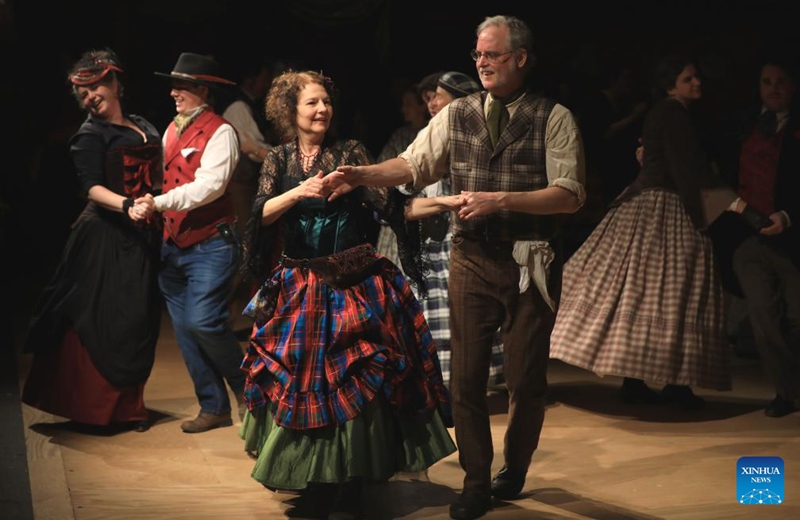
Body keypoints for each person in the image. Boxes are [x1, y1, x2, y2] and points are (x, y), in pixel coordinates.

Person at [324, 16, 586, 520]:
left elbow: (570, 196)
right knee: (462, 380)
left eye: (493, 55)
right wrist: (362, 175)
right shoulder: (458, 114)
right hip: (471, 258)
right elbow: (413, 164)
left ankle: (516, 466)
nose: (483, 63)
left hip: (529, 261)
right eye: (478, 55)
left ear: (521, 58)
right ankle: (476, 480)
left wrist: (499, 199)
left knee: (525, 381)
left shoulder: (553, 117)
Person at [237, 70, 456, 520]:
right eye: (311, 104)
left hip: (352, 283)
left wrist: (444, 204)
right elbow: (259, 216)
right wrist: (301, 190)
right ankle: (313, 478)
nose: (322, 111)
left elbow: (390, 205)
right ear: (290, 111)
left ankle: (352, 476)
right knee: (303, 383)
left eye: (326, 103)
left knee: (355, 377)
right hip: (300, 285)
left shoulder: (349, 152)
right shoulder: (279, 159)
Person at [549, 55, 768, 413]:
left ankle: (645, 381)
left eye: (697, 77)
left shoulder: (669, 114)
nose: (697, 83)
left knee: (649, 292)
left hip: (650, 203)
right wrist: (746, 211)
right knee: (672, 289)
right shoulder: (672, 114)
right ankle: (671, 383)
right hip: (662, 206)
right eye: (688, 78)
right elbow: (692, 170)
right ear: (670, 85)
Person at [21, 48, 162, 433]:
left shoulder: (141, 124)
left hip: (141, 233)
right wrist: (129, 204)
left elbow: (156, 176)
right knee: (103, 318)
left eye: (96, 86)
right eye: (82, 94)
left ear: (116, 83)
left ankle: (130, 408)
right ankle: (96, 408)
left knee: (136, 318)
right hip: (104, 235)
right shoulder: (89, 134)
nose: (90, 96)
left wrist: (155, 200)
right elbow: (91, 188)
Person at [136, 52, 247, 434]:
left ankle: (246, 386)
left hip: (212, 243)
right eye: (173, 85)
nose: (173, 92)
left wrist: (160, 202)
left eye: (181, 85)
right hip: (173, 245)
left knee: (204, 321)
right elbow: (163, 178)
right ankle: (213, 406)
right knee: (185, 330)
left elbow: (209, 187)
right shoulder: (171, 129)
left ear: (202, 89)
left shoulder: (222, 132)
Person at [391, 70, 505, 389]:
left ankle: (471, 386)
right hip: (435, 250)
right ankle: (442, 391)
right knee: (434, 322)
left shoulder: (483, 144)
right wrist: (446, 202)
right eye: (428, 99)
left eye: (437, 97)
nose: (432, 104)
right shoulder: (424, 145)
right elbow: (401, 208)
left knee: (474, 321)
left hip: (475, 245)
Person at [725, 56, 800, 417]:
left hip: (793, 239)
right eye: (766, 82)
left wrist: (788, 217)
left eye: (781, 81)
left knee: (797, 319)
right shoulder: (743, 126)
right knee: (764, 320)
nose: (773, 89)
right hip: (749, 240)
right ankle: (786, 393)